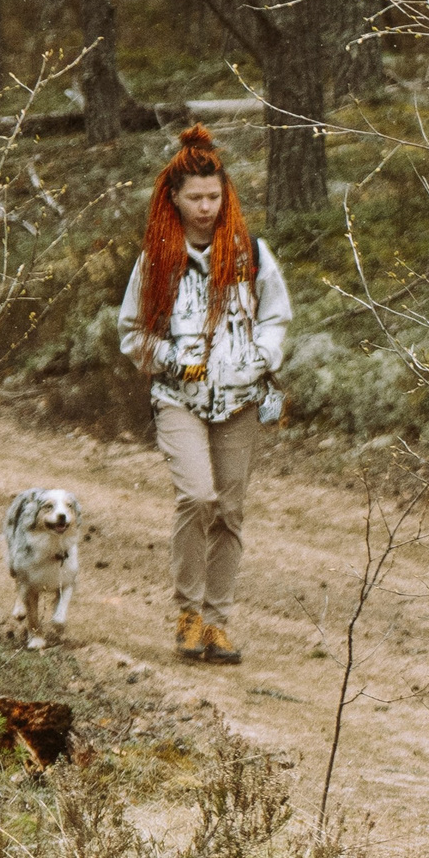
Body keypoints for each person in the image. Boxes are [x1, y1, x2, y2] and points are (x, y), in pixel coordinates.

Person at [117, 125, 291, 664]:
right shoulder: (156, 261)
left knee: (230, 511)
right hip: (178, 399)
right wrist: (173, 360)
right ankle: (187, 614)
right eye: (195, 197)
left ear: (226, 194)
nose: (206, 207)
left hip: (239, 400)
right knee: (197, 497)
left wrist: (258, 359)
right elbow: (132, 333)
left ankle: (217, 624)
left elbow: (276, 317)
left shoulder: (251, 254)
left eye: (214, 196)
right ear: (173, 198)